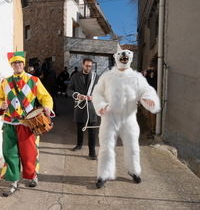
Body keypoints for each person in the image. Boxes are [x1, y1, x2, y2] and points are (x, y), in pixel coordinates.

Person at [92, 46, 160, 189]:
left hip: (129, 119)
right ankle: (103, 175)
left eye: (126, 58)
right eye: (121, 58)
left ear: (129, 59)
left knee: (133, 147)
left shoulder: (137, 77)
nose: (123, 60)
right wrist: (101, 104)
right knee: (106, 148)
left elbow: (147, 90)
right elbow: (97, 93)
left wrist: (148, 98)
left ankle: (134, 171)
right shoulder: (107, 76)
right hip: (109, 118)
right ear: (116, 59)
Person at [0, 51, 53, 197]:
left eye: (20, 62)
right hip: (9, 123)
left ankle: (32, 175)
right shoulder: (5, 82)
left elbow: (45, 97)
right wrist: (1, 106)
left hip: (27, 124)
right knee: (10, 153)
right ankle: (13, 180)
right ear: (11, 65)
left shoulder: (34, 80)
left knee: (29, 152)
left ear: (23, 64)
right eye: (14, 63)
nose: (17, 65)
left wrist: (47, 106)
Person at [67, 58, 99, 160]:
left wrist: (94, 97)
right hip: (80, 106)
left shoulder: (96, 77)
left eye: (90, 66)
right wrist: (77, 95)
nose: (88, 68)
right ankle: (79, 145)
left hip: (91, 107)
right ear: (82, 65)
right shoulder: (75, 76)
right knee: (80, 128)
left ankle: (92, 152)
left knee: (92, 131)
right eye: (86, 66)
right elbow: (69, 90)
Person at [145, 66, 158, 139]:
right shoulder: (147, 78)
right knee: (148, 115)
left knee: (152, 115)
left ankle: (153, 130)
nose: (151, 72)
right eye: (150, 71)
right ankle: (150, 130)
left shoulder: (156, 79)